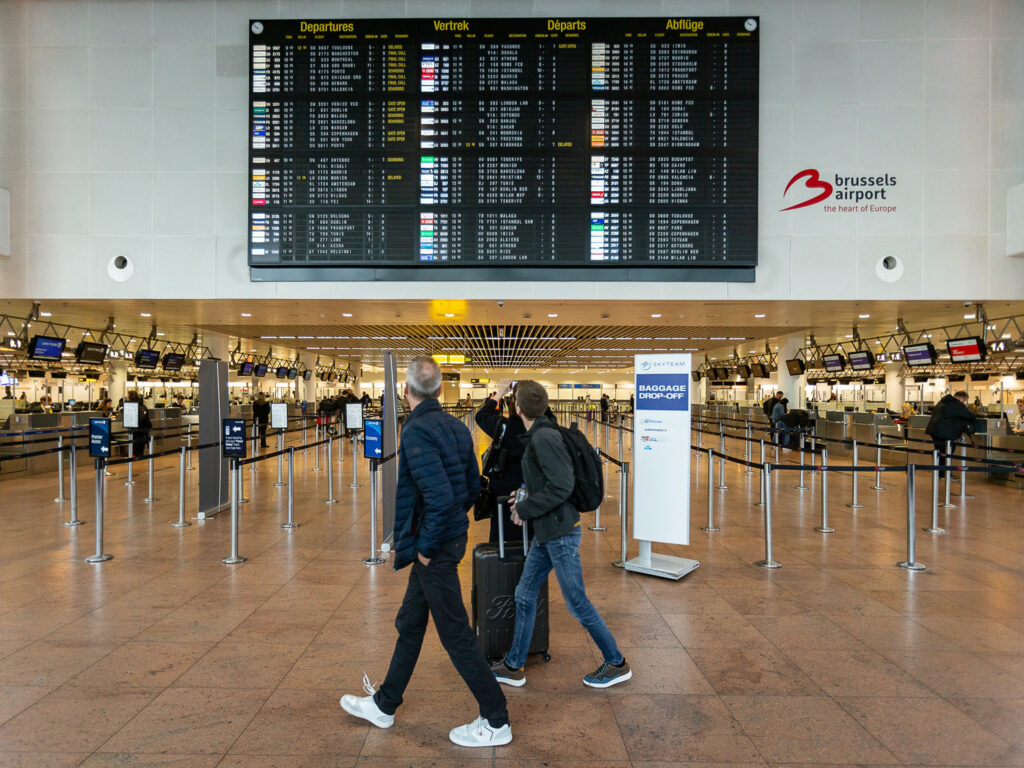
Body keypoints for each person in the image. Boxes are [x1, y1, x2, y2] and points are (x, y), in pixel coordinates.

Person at [340, 356, 511, 748]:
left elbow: (438, 495)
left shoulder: (416, 431)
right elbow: (471, 487)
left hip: (434, 548)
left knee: (455, 634)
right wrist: (445, 531)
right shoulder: (455, 427)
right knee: (410, 623)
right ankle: (385, 705)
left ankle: (497, 719)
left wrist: (429, 547)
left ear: (405, 391)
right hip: (443, 539)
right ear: (437, 390)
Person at [490, 380, 630, 691]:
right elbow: (546, 480)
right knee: (524, 595)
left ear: (517, 407)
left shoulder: (544, 438)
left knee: (577, 601)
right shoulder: (540, 433)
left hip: (561, 533)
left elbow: (562, 486)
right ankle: (514, 665)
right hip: (547, 531)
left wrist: (525, 510)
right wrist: (524, 493)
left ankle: (616, 662)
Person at [475, 379, 530, 544]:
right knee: (530, 534)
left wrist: (499, 393)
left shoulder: (504, 427)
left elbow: (481, 415)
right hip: (531, 488)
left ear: (515, 405)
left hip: (502, 489)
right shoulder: (543, 427)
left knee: (501, 530)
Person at [925, 390, 976, 480]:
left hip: (935, 432)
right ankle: (946, 474)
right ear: (960, 398)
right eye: (964, 401)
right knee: (948, 453)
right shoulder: (956, 404)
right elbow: (970, 415)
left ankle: (940, 474)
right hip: (946, 433)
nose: (964, 403)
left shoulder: (942, 402)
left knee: (939, 453)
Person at [126, 390, 151, 459]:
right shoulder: (142, 405)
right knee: (140, 442)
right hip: (143, 427)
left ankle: (135, 455)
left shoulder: (131, 405)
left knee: (135, 441)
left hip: (135, 427)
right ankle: (139, 455)